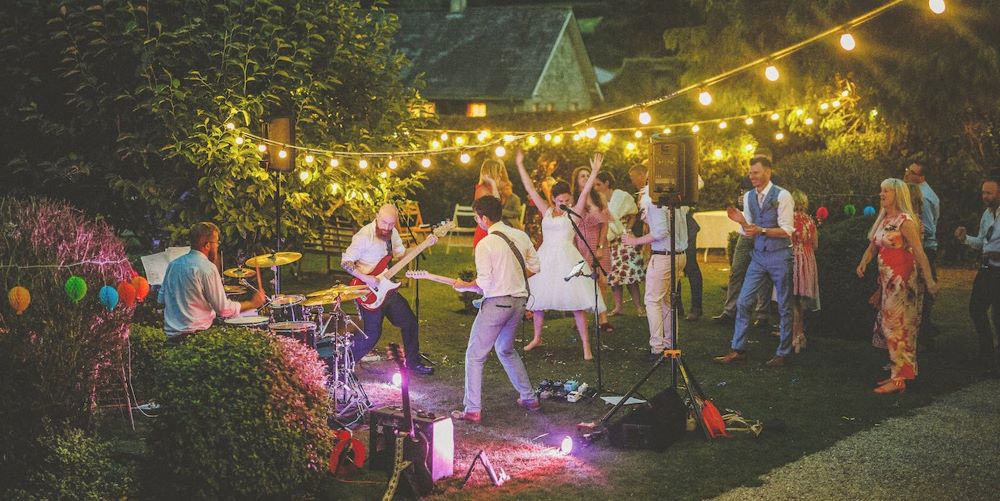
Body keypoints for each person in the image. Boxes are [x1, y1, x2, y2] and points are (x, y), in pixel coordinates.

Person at [449, 196, 541, 422]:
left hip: (497, 304)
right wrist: (511, 278)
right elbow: (535, 266)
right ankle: (529, 398)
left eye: (476, 218)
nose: (477, 221)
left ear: (484, 218)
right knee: (505, 349)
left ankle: (472, 409)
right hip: (519, 303)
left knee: (475, 355)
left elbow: (485, 283)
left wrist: (465, 285)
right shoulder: (520, 235)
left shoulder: (485, 244)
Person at [515, 150, 607, 360]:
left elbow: (585, 192)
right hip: (546, 257)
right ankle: (537, 338)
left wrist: (594, 171)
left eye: (567, 199)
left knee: (576, 303)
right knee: (539, 300)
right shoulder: (546, 211)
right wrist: (520, 165)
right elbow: (530, 188)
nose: (564, 203)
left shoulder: (574, 211)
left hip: (567, 258)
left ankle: (586, 346)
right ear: (553, 199)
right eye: (560, 201)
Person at [856, 178, 938, 394]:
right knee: (891, 326)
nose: (881, 194)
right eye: (881, 190)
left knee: (898, 327)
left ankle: (899, 378)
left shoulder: (905, 221)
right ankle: (900, 373)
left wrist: (929, 280)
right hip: (887, 282)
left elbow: (919, 252)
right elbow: (873, 246)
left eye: (886, 191)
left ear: (897, 195)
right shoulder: (884, 219)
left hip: (902, 282)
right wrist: (864, 262)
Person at [714, 156, 795, 367]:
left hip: (779, 255)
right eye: (750, 173)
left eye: (756, 172)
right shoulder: (749, 196)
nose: (752, 176)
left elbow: (787, 230)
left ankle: (783, 353)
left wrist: (763, 230)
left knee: (784, 305)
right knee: (743, 301)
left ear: (768, 172)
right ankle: (738, 349)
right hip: (758, 256)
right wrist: (741, 222)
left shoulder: (783, 196)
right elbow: (748, 230)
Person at [341, 204, 436, 375]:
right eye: (384, 222)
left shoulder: (393, 234)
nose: (387, 227)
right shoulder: (364, 236)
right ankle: (343, 364)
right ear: (377, 216)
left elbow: (401, 255)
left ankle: (413, 363)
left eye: (391, 224)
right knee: (371, 334)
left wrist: (423, 245)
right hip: (367, 291)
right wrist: (367, 278)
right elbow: (345, 262)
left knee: (409, 321)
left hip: (387, 289)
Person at [159, 222, 265, 340]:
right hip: (196, 337)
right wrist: (252, 304)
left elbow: (161, 299)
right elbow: (223, 310)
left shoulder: (173, 265)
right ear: (207, 245)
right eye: (217, 242)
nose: (217, 246)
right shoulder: (207, 268)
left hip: (170, 337)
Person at [622, 182, 689, 363]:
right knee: (667, 300)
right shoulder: (676, 198)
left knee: (652, 301)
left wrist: (635, 241)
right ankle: (670, 344)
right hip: (679, 255)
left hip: (663, 255)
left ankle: (657, 348)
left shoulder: (654, 201)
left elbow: (660, 232)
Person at [712, 175, 773, 326]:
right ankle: (729, 312)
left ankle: (762, 315)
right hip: (745, 235)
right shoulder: (746, 181)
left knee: (763, 275)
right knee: (736, 271)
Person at [954, 178, 1000, 376]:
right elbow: (982, 242)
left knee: (998, 316)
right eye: (983, 193)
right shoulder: (987, 214)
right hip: (987, 269)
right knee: (976, 309)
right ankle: (987, 354)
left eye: (989, 193)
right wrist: (965, 239)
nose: (985, 196)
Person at [593, 170, 645, 317]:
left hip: (623, 240)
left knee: (629, 275)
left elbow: (633, 213)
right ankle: (618, 307)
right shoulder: (598, 200)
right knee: (614, 277)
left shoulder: (621, 196)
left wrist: (627, 229)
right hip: (608, 241)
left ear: (607, 183)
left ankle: (639, 307)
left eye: (598, 184)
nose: (596, 187)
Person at [571, 165, 613, 331]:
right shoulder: (573, 200)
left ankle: (603, 319)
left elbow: (605, 224)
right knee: (583, 282)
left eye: (588, 175)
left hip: (598, 243)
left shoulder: (599, 197)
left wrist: (600, 246)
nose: (586, 177)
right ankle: (581, 320)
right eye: (582, 175)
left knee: (602, 282)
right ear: (576, 180)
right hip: (580, 245)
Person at [904, 161, 940, 349]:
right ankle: (924, 330)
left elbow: (929, 228)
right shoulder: (921, 192)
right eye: (907, 170)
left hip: (924, 248)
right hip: (923, 247)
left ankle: (924, 334)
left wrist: (913, 230)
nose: (906, 174)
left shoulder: (924, 196)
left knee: (921, 291)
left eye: (911, 172)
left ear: (921, 177)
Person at [790, 190, 820, 353]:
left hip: (794, 259)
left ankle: (795, 335)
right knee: (801, 300)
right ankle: (799, 334)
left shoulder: (789, 219)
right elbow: (815, 244)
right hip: (808, 260)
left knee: (793, 299)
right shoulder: (810, 220)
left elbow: (786, 242)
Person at [524, 152, 558, 248]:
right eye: (552, 164)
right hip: (539, 213)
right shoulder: (542, 178)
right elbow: (545, 191)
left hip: (536, 212)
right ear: (546, 162)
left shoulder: (539, 176)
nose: (553, 167)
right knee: (539, 239)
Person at [472, 159, 510, 248]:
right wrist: (493, 183)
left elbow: (506, 182)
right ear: (491, 173)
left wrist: (503, 166)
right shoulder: (482, 190)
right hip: (485, 233)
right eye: (498, 172)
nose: (501, 175)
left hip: (493, 231)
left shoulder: (492, 188)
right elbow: (496, 207)